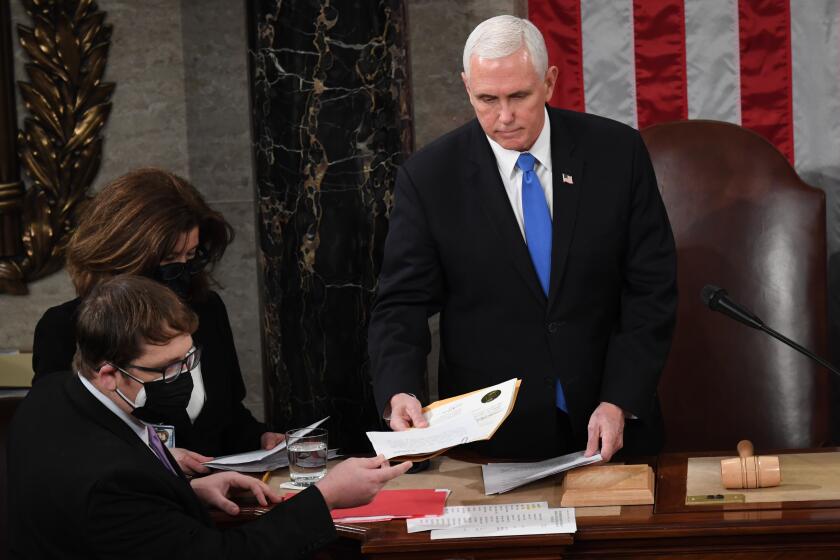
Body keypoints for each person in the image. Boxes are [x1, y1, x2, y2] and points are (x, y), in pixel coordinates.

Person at [368, 15, 677, 461]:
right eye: (487, 99)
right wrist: (399, 391)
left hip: (612, 428)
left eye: (519, 96)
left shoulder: (617, 154)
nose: (504, 116)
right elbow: (401, 304)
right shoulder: (430, 178)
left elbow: (652, 290)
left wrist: (621, 400)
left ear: (549, 82)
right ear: (466, 87)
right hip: (493, 443)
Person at [9, 275, 412, 559]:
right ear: (110, 374)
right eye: (166, 369)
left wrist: (184, 493)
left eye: (188, 359)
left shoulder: (53, 393)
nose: (184, 377)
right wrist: (325, 497)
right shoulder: (112, 482)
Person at [31, 168, 282, 475]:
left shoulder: (207, 310)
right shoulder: (63, 328)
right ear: (123, 257)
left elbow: (226, 416)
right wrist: (155, 461)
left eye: (189, 257)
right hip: (136, 504)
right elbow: (66, 444)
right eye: (167, 260)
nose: (181, 273)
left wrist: (261, 439)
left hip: (221, 499)